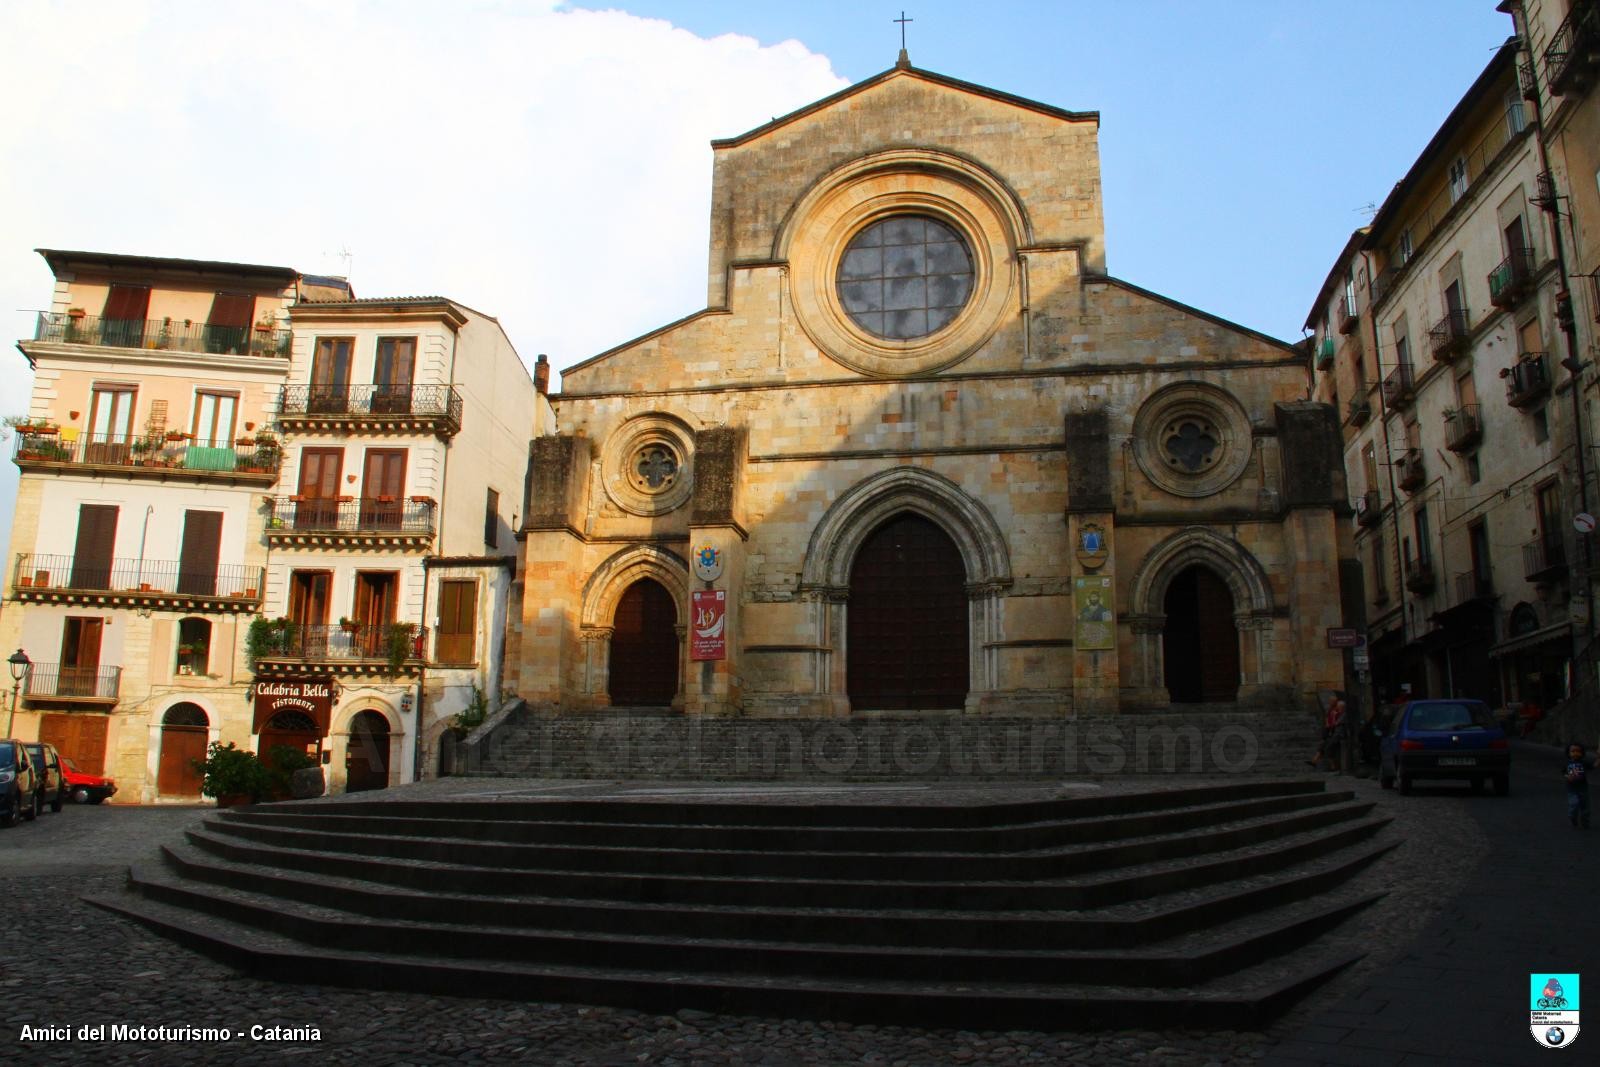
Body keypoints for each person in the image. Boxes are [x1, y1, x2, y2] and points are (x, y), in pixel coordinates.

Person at [1309, 694, 1347, 771]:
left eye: (1339, 707)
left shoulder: (1343, 714)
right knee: (1323, 744)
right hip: (1334, 734)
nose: (1338, 708)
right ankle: (1314, 760)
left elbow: (1335, 724)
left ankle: (1333, 766)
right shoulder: (1335, 711)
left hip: (1339, 735)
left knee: (1328, 746)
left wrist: (1330, 724)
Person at [1564, 743, 1593, 830]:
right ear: (1569, 753)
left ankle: (1585, 822)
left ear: (1582, 753)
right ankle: (1572, 816)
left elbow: (1593, 766)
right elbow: (1563, 772)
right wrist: (1567, 776)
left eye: (1578, 751)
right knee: (1574, 804)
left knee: (1585, 807)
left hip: (1583, 788)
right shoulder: (1567, 763)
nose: (1575, 753)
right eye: (1573, 751)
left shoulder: (1583, 763)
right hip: (1572, 789)